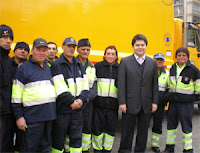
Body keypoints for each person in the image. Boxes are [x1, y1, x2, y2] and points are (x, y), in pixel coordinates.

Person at [11, 38, 56, 152]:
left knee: (45, 149)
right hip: (32, 120)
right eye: (38, 49)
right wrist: (19, 117)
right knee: (29, 149)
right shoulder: (23, 68)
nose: (41, 53)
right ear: (32, 51)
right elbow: (16, 96)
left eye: (44, 50)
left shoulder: (48, 67)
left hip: (48, 117)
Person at [118, 34, 158, 153]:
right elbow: (121, 84)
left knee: (143, 131)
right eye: (137, 45)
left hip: (146, 104)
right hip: (129, 104)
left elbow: (154, 85)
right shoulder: (125, 61)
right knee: (127, 131)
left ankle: (140, 151)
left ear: (146, 46)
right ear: (133, 47)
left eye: (142, 45)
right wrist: (122, 102)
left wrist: (155, 102)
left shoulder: (152, 63)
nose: (140, 47)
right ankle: (124, 150)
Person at [50, 37, 89, 153]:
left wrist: (81, 100)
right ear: (62, 47)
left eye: (73, 47)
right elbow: (59, 87)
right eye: (69, 46)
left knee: (76, 140)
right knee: (58, 139)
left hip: (78, 110)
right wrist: (72, 102)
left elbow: (85, 86)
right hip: (63, 110)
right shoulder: (57, 64)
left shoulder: (78, 64)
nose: (71, 49)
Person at [163, 47, 200, 153]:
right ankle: (169, 148)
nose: (181, 57)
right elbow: (170, 83)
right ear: (176, 57)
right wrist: (168, 96)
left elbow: (198, 87)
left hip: (186, 104)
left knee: (186, 127)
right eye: (179, 55)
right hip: (173, 103)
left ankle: (188, 149)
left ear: (187, 57)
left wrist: (193, 99)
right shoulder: (173, 67)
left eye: (184, 55)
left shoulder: (194, 70)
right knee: (171, 127)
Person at [64, 38, 97, 153]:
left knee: (87, 128)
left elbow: (94, 87)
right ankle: (68, 149)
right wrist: (75, 100)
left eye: (88, 49)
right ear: (78, 50)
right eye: (83, 49)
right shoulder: (72, 64)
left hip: (87, 103)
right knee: (71, 128)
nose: (86, 52)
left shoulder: (92, 67)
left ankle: (85, 149)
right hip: (73, 103)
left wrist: (86, 99)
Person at [92, 45, 119, 153]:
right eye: (108, 53)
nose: (110, 56)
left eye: (113, 54)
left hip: (113, 106)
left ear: (116, 56)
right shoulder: (97, 67)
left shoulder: (120, 68)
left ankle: (107, 149)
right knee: (97, 129)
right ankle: (97, 149)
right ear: (104, 55)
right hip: (99, 105)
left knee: (111, 130)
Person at [0, 24, 15, 152]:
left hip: (9, 112)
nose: (8, 41)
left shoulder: (9, 60)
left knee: (7, 146)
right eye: (4, 37)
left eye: (10, 38)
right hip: (0, 113)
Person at [151, 53, 169, 153]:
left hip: (160, 104)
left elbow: (169, 89)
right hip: (148, 104)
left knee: (157, 125)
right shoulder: (148, 71)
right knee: (144, 125)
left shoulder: (167, 73)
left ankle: (155, 144)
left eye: (161, 60)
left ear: (163, 61)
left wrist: (163, 100)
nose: (159, 61)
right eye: (157, 59)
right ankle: (142, 143)